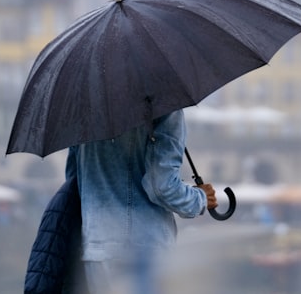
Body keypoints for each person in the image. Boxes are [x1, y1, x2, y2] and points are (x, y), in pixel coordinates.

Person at [66, 109, 218, 294]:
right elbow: (161, 187)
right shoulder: (164, 103)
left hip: (97, 249)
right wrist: (200, 198)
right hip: (144, 251)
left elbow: (74, 181)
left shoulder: (85, 109)